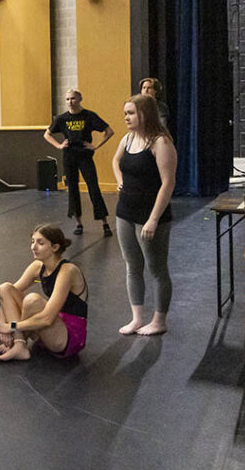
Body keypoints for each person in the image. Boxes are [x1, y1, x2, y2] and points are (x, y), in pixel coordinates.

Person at [112, 93, 176, 336]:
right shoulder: (127, 139)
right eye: (125, 113)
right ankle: (137, 318)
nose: (126, 117)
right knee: (132, 266)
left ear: (144, 114)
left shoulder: (161, 143)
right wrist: (120, 181)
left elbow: (168, 183)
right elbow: (116, 161)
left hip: (150, 215)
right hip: (125, 212)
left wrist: (153, 219)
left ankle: (159, 320)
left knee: (157, 269)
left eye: (130, 113)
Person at [0, 225, 88, 361]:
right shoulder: (38, 266)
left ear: (55, 247)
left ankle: (19, 342)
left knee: (32, 301)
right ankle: (19, 344)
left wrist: (11, 326)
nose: (33, 247)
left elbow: (47, 318)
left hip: (68, 338)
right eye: (32, 242)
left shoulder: (67, 271)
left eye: (40, 243)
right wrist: (3, 325)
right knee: (5, 288)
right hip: (50, 330)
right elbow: (6, 295)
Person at [44, 89, 115, 237]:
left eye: (73, 99)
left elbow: (109, 131)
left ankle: (104, 223)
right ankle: (79, 223)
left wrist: (95, 146)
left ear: (80, 99)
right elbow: (47, 134)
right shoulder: (62, 118)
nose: (70, 102)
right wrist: (58, 145)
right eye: (68, 99)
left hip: (85, 156)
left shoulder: (89, 116)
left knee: (93, 187)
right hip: (69, 156)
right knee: (73, 189)